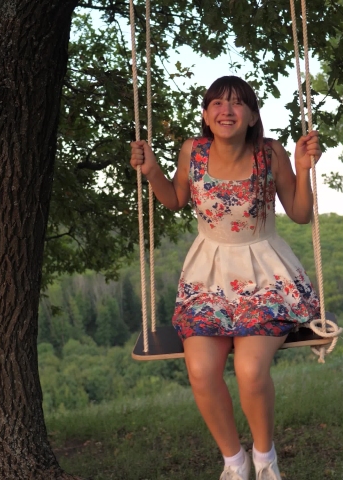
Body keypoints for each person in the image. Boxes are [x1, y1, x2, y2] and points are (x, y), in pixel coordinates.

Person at [129, 75, 322, 480]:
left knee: (250, 371)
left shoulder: (269, 154)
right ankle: (234, 462)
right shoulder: (193, 151)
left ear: (252, 116)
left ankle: (265, 458)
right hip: (208, 278)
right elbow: (175, 199)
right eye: (217, 103)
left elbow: (300, 213)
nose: (226, 111)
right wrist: (152, 171)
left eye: (237, 103)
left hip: (267, 277)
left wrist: (304, 169)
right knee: (201, 371)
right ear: (205, 115)